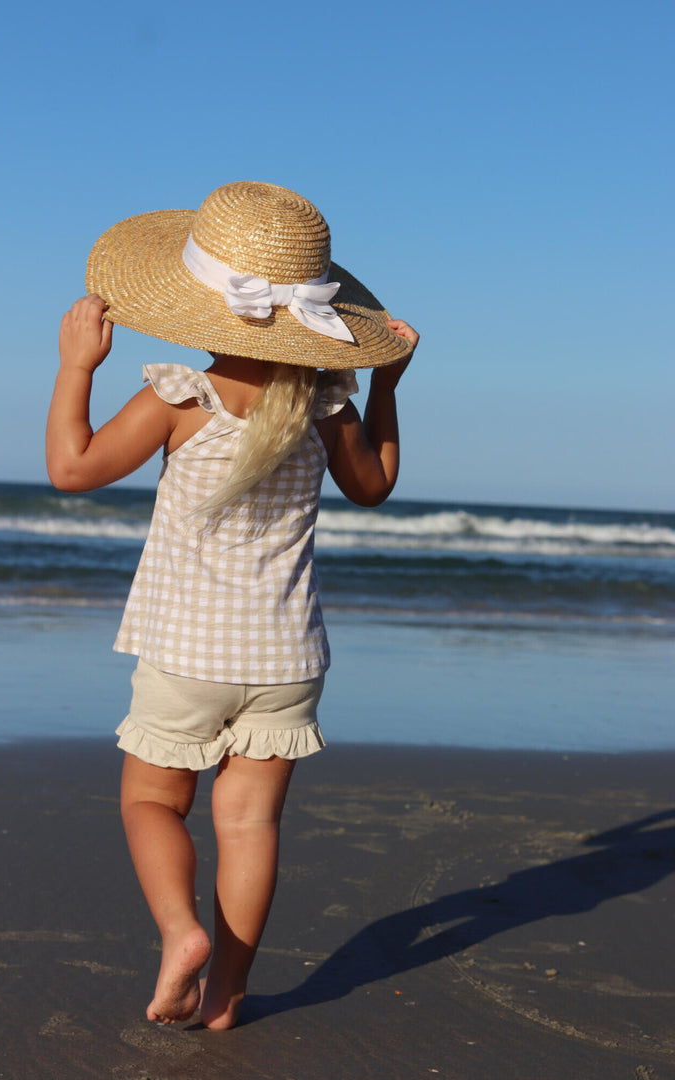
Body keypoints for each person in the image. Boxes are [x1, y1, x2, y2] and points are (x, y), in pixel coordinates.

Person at [46, 181, 419, 1030]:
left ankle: (182, 935)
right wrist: (386, 385)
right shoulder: (327, 406)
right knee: (250, 827)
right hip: (288, 659)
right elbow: (375, 487)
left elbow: (72, 469)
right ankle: (227, 998)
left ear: (206, 306)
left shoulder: (184, 398)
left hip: (186, 653)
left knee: (150, 803)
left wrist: (76, 367)